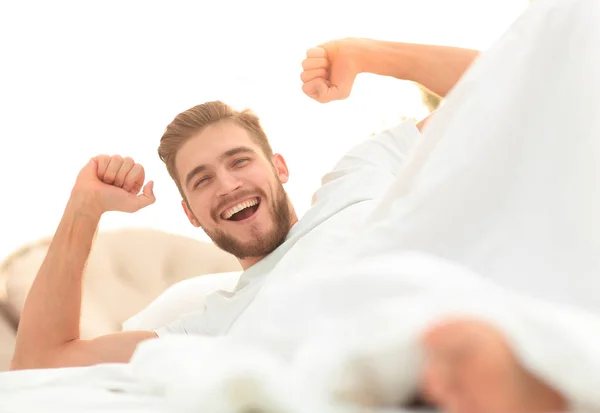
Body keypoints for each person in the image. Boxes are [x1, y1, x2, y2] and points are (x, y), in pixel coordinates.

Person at [11, 38, 477, 371]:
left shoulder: (358, 178)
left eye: (239, 161)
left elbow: (506, 85)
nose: (228, 184)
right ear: (190, 213)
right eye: (203, 180)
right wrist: (84, 208)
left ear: (280, 167)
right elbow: (39, 363)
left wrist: (366, 54)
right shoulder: (208, 328)